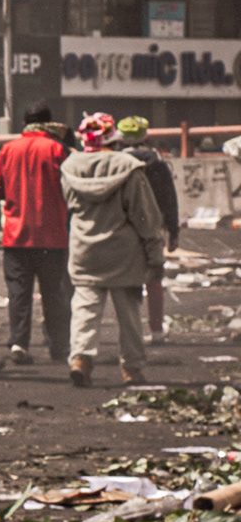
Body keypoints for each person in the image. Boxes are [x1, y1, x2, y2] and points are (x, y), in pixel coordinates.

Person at [63, 112, 167, 387]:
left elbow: (70, 206)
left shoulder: (70, 168)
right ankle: (131, 369)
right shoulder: (130, 168)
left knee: (85, 310)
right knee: (129, 314)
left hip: (85, 250)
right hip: (125, 255)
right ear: (113, 139)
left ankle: (81, 360)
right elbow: (145, 216)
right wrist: (155, 253)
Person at [0, 102, 72, 366]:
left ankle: (19, 343)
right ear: (48, 123)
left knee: (19, 295)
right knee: (54, 295)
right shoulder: (58, 149)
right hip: (53, 238)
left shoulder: (8, 149)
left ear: (24, 123)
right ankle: (59, 346)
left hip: (17, 236)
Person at [116, 116, 179, 344]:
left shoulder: (116, 163)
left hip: (124, 228)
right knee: (154, 278)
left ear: (121, 139)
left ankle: (129, 330)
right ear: (146, 136)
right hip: (154, 227)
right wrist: (173, 232)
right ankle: (157, 329)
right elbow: (169, 200)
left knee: (128, 280)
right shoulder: (158, 164)